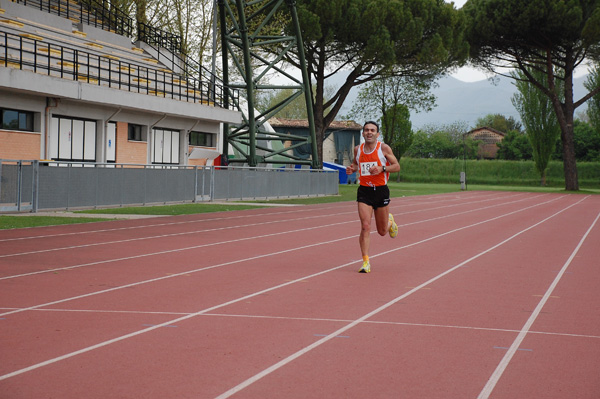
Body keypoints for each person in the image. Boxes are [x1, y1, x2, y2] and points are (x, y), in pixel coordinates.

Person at [346, 121, 399, 273]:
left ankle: (390, 222)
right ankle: (365, 262)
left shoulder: (383, 148)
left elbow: (397, 166)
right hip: (364, 191)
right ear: (362, 133)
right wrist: (351, 169)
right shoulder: (358, 149)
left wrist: (382, 168)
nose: (369, 132)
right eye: (367, 130)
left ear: (377, 134)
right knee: (365, 226)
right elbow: (356, 164)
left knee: (382, 231)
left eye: (372, 130)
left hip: (381, 191)